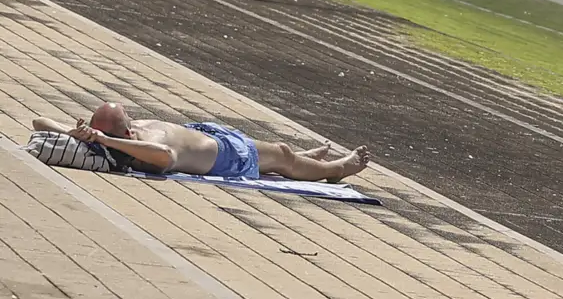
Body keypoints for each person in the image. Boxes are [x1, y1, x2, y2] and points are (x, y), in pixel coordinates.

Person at [33, 103, 369, 183]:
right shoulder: (136, 146)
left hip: (208, 135)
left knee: (280, 151)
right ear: (127, 134)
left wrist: (80, 132)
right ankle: (334, 169)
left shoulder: (120, 136)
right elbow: (165, 156)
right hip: (225, 156)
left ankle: (304, 158)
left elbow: (42, 121)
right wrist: (103, 137)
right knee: (282, 156)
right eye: (129, 123)